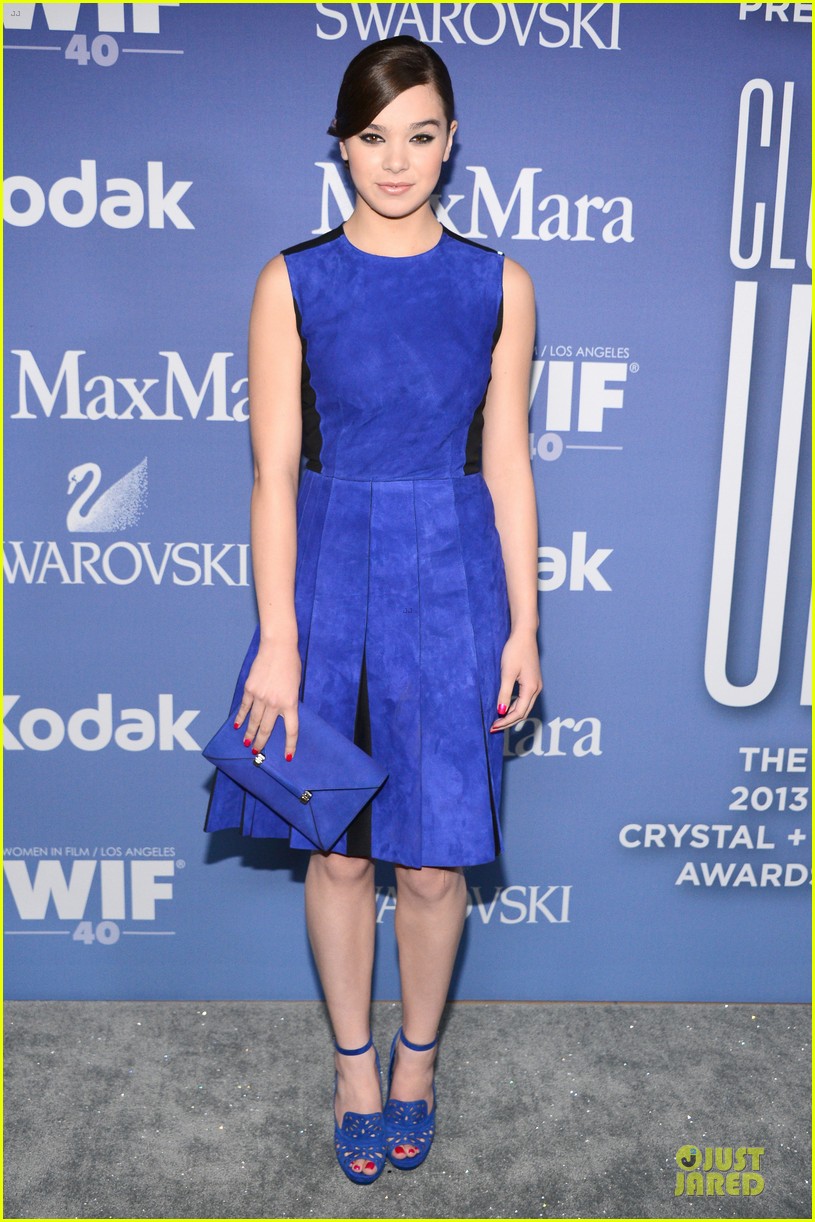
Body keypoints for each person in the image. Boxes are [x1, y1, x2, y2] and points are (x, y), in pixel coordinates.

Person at [204, 34, 542, 1183]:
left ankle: (416, 1064)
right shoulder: (290, 281)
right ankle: (354, 1068)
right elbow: (271, 474)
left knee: (435, 863)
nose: (395, 161)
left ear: (451, 145)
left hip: (452, 579)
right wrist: (280, 641)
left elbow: (507, 464)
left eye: (419, 136)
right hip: (328, 575)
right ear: (340, 145)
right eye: (371, 136)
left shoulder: (497, 284)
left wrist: (524, 626)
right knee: (341, 853)